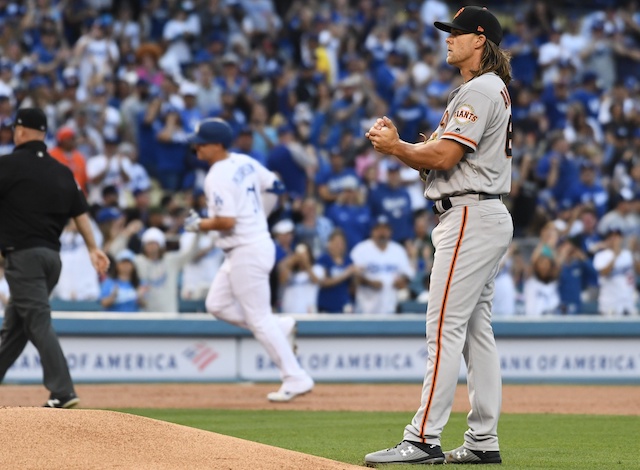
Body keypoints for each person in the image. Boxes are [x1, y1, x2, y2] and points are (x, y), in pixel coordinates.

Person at [364, 7, 513, 465]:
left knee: (445, 327)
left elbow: (445, 157)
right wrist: (417, 150)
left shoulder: (481, 89)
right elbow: (444, 155)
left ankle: (423, 438)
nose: (449, 39)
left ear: (480, 40)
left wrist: (398, 148)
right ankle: (483, 440)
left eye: (458, 33)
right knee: (474, 331)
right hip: (481, 212)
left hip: (469, 214)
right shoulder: (486, 89)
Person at [184, 117, 314, 402]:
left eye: (200, 145)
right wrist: (260, 217)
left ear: (217, 145)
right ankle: (280, 328)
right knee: (216, 304)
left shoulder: (216, 175)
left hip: (245, 249)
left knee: (258, 318)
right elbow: (277, 187)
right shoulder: (245, 161)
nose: (196, 150)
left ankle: (295, 377)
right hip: (250, 246)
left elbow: (227, 221)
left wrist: (200, 224)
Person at [0, 108, 110, 409]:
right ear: (45, 134)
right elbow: (81, 214)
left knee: (36, 320)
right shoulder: (63, 172)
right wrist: (92, 248)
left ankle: (62, 390)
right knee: (15, 329)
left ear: (20, 131)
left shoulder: (6, 165)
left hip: (24, 258)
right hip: (52, 260)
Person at [350, 216, 414, 315]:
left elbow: (408, 274)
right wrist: (369, 282)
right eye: (378, 229)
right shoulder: (360, 250)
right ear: (372, 231)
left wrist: (402, 281)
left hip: (391, 308)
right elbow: (353, 279)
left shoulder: (398, 250)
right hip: (365, 309)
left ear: (390, 231)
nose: (382, 233)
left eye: (385, 229)